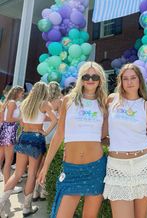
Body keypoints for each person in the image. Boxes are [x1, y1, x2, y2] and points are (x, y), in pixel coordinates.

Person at [37, 62, 108, 218]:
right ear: (80, 79)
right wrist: (45, 166)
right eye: (86, 76)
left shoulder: (104, 103)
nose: (90, 79)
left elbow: (103, 135)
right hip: (71, 169)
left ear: (100, 80)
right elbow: (59, 134)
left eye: (95, 76)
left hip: (96, 168)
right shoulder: (68, 101)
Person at [103, 63, 147, 218]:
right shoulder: (111, 101)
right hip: (117, 168)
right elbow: (100, 132)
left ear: (139, 81)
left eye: (133, 78)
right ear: (121, 82)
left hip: (144, 165)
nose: (129, 82)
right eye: (125, 79)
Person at [0, 82, 57, 217]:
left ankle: (1, 204)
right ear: (44, 91)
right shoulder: (44, 104)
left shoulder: (25, 102)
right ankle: (26, 207)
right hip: (36, 138)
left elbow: (23, 122)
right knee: (31, 174)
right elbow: (55, 120)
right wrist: (46, 132)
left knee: (17, 173)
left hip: (24, 136)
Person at [33, 81, 62, 201]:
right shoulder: (59, 102)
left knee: (38, 163)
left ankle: (35, 191)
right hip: (52, 132)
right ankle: (43, 190)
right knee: (46, 163)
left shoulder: (42, 101)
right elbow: (60, 119)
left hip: (41, 130)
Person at [0, 86, 24, 190]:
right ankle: (8, 186)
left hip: (5, 130)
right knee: (8, 160)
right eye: (22, 93)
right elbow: (8, 118)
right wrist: (20, 119)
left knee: (2, 158)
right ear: (17, 93)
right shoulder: (12, 103)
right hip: (9, 131)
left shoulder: (8, 102)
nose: (22, 95)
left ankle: (7, 184)